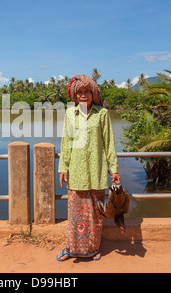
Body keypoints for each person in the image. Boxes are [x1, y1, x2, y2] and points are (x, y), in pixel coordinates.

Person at [56, 74, 120, 261]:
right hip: (76, 172)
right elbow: (66, 142)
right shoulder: (70, 114)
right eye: (80, 92)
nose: (83, 95)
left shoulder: (102, 114)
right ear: (75, 95)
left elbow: (109, 143)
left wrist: (113, 169)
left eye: (87, 92)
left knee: (95, 213)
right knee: (75, 213)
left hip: (96, 171)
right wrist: (63, 167)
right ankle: (71, 248)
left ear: (93, 94)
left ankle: (93, 249)